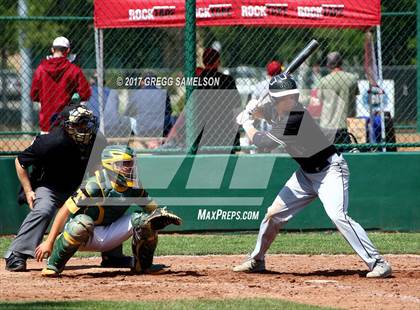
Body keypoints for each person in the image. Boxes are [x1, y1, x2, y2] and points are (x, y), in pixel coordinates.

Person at [233, 73, 392, 278]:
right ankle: (257, 259)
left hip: (330, 171)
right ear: (276, 100)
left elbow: (264, 143)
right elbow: (268, 112)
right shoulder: (279, 109)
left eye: (293, 96)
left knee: (338, 216)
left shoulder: (295, 117)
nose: (291, 100)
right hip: (305, 174)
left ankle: (379, 263)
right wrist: (254, 110)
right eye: (285, 98)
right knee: (273, 214)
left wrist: (247, 124)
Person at [35, 145, 181, 277]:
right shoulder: (95, 184)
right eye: (125, 164)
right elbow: (64, 210)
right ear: (111, 165)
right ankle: (54, 264)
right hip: (85, 236)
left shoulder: (134, 186)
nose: (130, 168)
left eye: (131, 163)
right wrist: (49, 241)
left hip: (111, 235)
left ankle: (143, 266)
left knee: (143, 220)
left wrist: (160, 216)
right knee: (82, 223)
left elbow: (154, 209)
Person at [4, 105, 106, 272]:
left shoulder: (97, 139)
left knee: (103, 204)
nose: (85, 128)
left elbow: (98, 165)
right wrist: (29, 191)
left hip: (78, 186)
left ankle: (112, 254)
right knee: (43, 210)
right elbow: (20, 161)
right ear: (67, 126)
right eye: (79, 124)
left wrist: (97, 188)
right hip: (49, 186)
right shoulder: (51, 142)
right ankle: (16, 254)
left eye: (87, 123)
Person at [30, 36, 91, 133]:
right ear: (68, 51)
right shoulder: (73, 70)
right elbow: (86, 93)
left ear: (52, 50)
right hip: (66, 123)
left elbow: (34, 95)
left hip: (46, 123)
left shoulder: (41, 69)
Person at [194, 48, 242, 151]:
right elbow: (237, 109)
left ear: (203, 62)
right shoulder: (227, 80)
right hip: (225, 131)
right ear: (217, 62)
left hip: (202, 133)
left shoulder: (197, 80)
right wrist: (236, 132)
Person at [317, 52, 359, 144]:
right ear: (341, 62)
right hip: (345, 124)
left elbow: (318, 101)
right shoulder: (352, 79)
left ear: (328, 64)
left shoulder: (324, 81)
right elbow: (355, 96)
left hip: (327, 125)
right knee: (344, 153)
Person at [126, 72, 173, 138]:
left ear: (143, 81)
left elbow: (127, 112)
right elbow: (169, 112)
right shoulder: (163, 93)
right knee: (171, 118)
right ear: (155, 81)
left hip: (142, 130)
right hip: (162, 129)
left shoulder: (136, 93)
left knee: (128, 119)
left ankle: (133, 143)